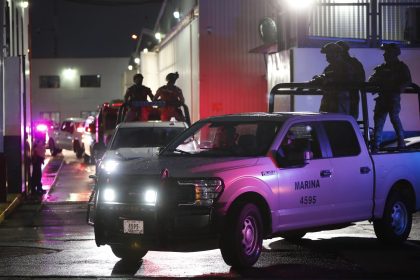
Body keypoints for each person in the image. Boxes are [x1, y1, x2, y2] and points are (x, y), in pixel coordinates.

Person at [368, 43, 412, 152]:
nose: (384, 55)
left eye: (387, 52)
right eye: (385, 52)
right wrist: (373, 84)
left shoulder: (401, 67)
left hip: (393, 97)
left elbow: (407, 80)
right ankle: (376, 145)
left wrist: (399, 88)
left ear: (394, 54)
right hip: (382, 98)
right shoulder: (381, 68)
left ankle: (401, 142)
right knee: (378, 121)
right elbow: (371, 80)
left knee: (394, 118)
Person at [310, 42, 356, 115]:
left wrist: (326, 79)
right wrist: (317, 80)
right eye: (327, 54)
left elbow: (344, 82)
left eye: (329, 53)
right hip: (328, 103)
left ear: (337, 54)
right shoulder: (329, 68)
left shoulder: (345, 67)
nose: (327, 56)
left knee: (337, 124)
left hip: (339, 103)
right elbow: (324, 79)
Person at [336, 41, 366, 119]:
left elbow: (361, 79)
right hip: (345, 94)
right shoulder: (338, 64)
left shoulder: (352, 63)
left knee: (350, 117)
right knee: (348, 117)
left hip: (351, 94)